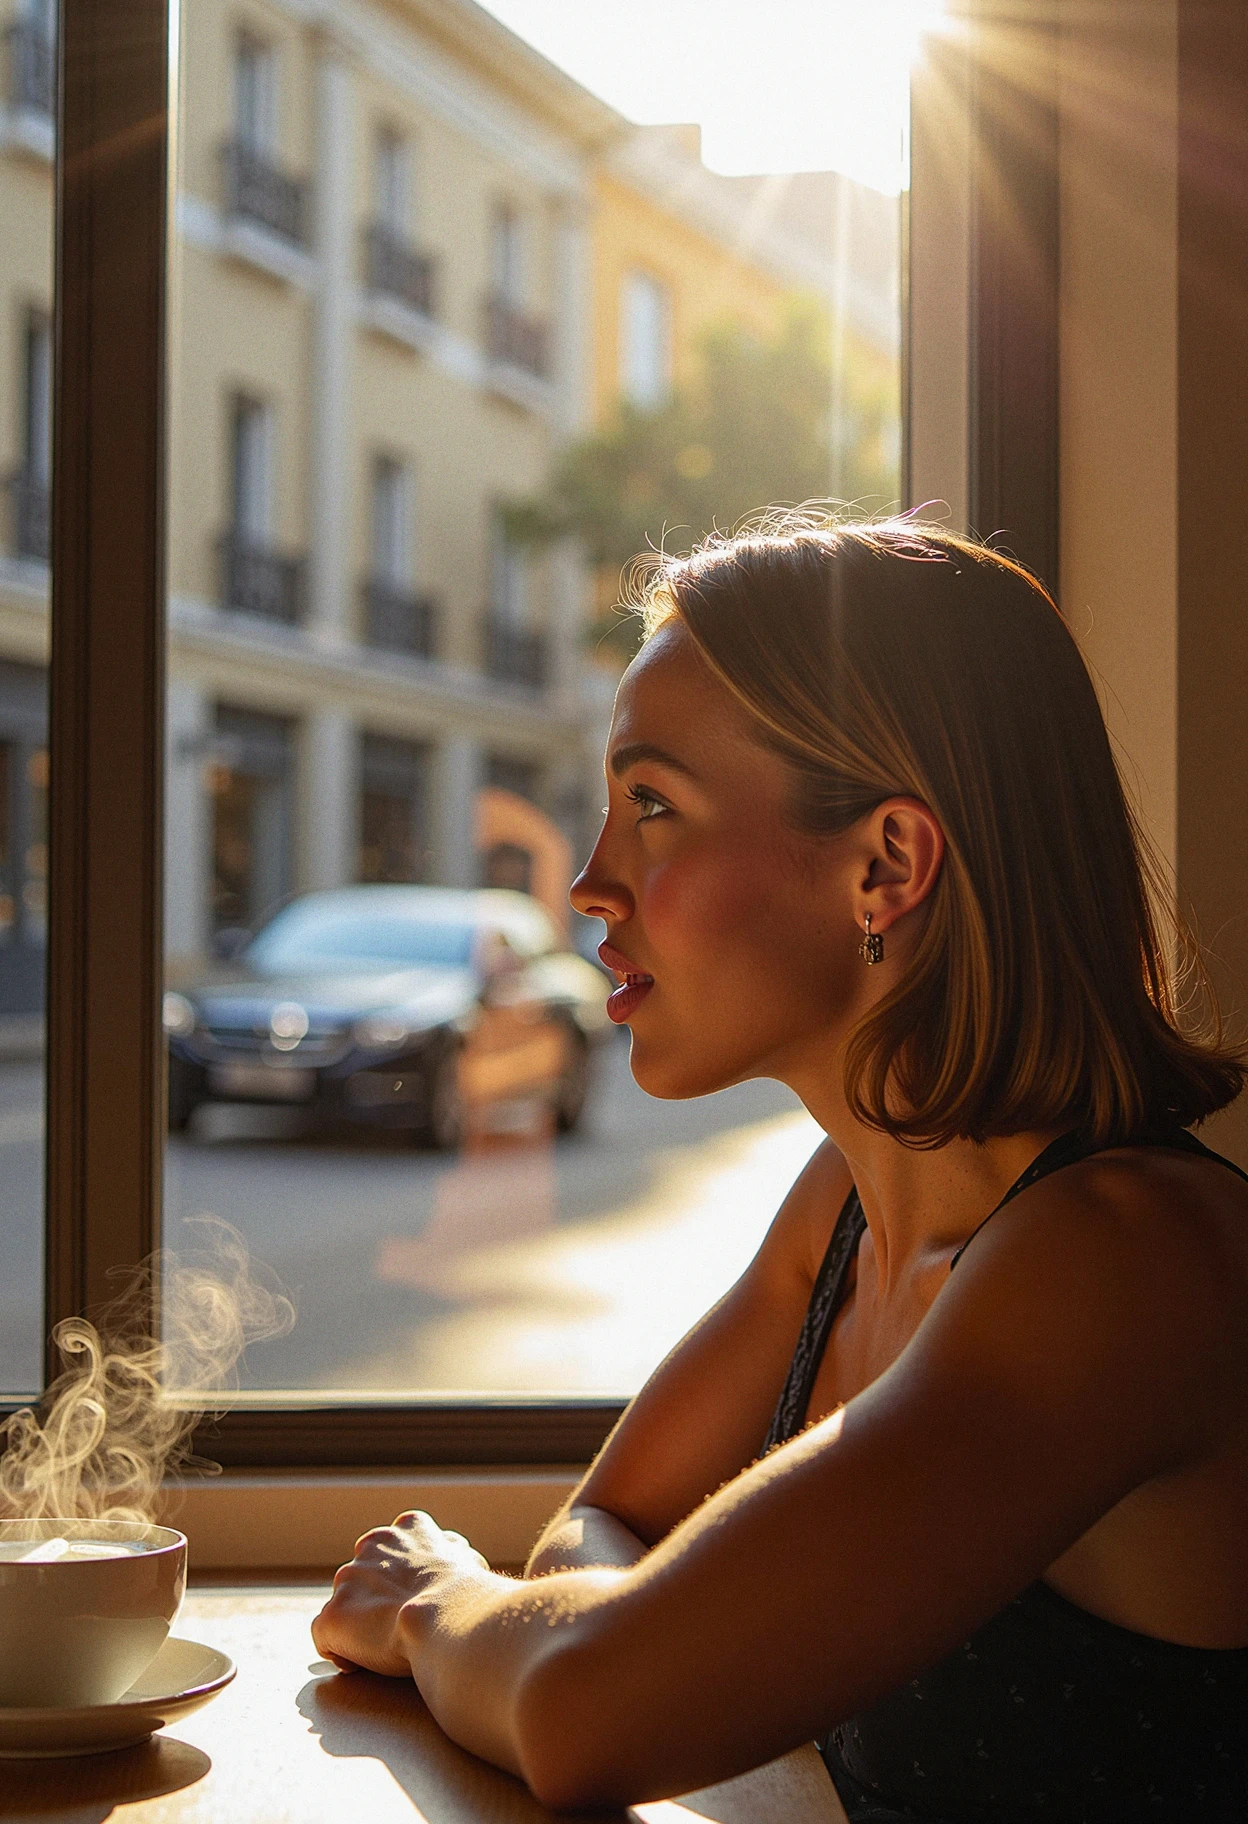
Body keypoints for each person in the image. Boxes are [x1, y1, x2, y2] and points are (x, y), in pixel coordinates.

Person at [312, 520, 1248, 1821]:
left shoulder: (1121, 1265)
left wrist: (434, 1604)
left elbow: (590, 1708)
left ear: (887, 867)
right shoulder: (848, 1207)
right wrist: (572, 1633)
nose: (588, 884)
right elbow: (601, 1539)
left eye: (653, 806)